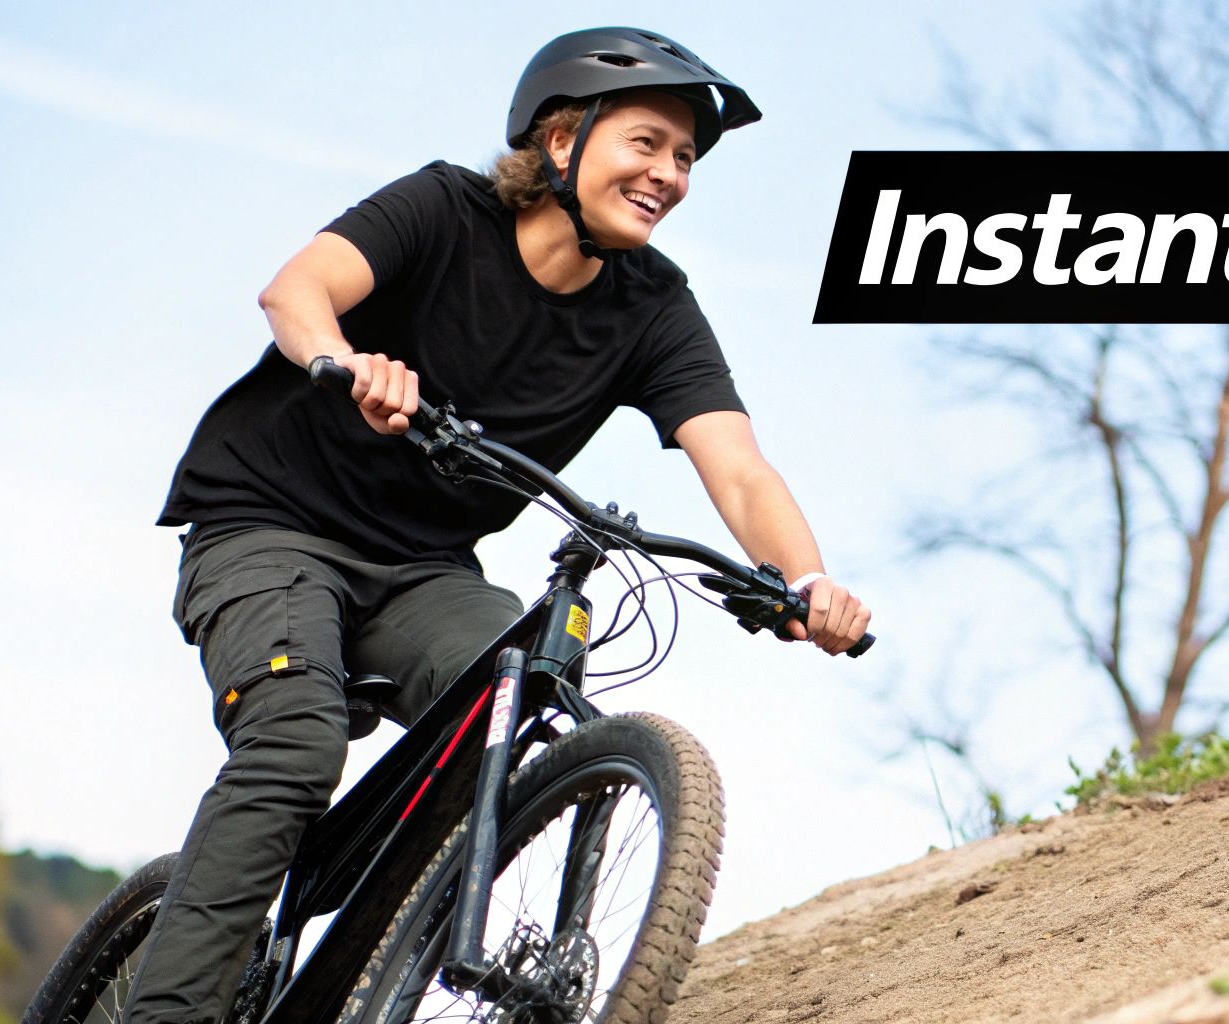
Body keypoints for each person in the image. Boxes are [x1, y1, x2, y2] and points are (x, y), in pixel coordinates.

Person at [124, 27, 871, 1023]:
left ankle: (381, 959)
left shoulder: (653, 308)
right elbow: (296, 290)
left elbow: (736, 465)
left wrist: (804, 580)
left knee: (520, 692)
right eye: (646, 143)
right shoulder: (443, 209)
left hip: (422, 570)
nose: (670, 174)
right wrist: (342, 359)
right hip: (265, 526)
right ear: (561, 139)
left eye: (686, 157)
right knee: (295, 742)